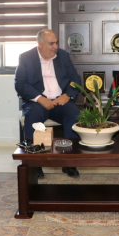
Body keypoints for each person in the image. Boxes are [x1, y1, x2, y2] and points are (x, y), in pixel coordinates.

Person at [15, 29, 82, 178]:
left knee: (74, 114)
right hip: (37, 102)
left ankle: (69, 162)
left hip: (60, 101)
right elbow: (20, 84)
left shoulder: (63, 56)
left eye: (56, 43)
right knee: (32, 116)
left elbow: (76, 80)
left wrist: (67, 95)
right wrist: (40, 98)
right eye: (51, 43)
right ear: (40, 44)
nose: (55, 46)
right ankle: (35, 164)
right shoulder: (26, 58)